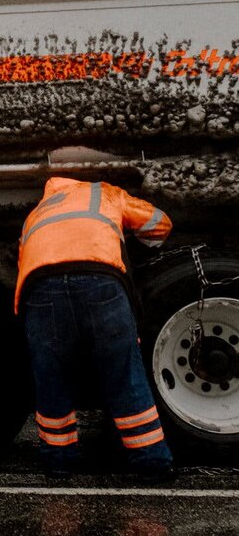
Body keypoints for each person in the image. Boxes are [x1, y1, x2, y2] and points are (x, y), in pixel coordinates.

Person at [16, 177, 174, 479]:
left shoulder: (35, 214)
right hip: (99, 279)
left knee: (51, 377)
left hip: (41, 288)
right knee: (123, 373)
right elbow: (159, 224)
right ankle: (151, 462)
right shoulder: (105, 193)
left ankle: (58, 462)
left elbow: (24, 261)